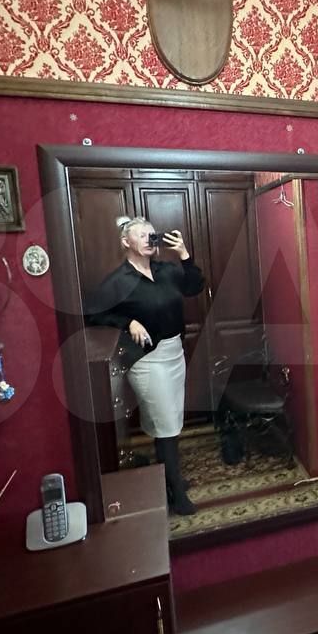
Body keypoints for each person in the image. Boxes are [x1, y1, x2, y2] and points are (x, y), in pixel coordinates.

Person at [86, 216, 205, 515]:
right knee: (165, 423)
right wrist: (128, 322)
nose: (150, 240)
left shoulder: (166, 271)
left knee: (169, 419)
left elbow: (194, 287)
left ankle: (167, 477)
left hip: (174, 353)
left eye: (153, 235)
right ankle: (176, 491)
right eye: (142, 235)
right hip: (147, 360)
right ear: (126, 242)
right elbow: (93, 314)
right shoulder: (118, 281)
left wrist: (184, 254)